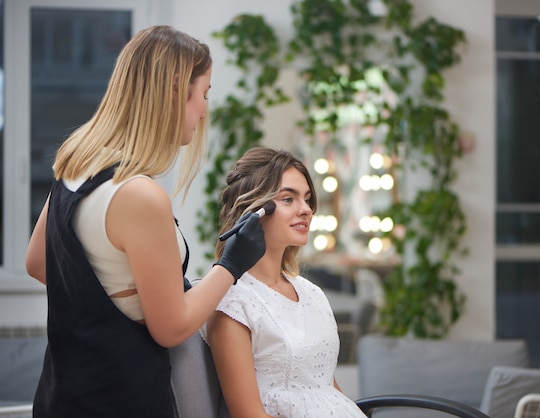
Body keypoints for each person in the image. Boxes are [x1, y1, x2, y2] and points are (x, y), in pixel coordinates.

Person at [24, 25, 265, 418]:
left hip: (61, 396)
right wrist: (232, 264)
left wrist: (123, 291)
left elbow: (38, 263)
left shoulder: (79, 162)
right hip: (120, 400)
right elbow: (170, 328)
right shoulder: (139, 195)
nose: (204, 110)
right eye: (203, 94)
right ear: (174, 90)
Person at [203, 147, 367, 418]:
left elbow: (326, 390)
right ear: (254, 212)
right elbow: (249, 415)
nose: (306, 210)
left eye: (307, 199)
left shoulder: (311, 293)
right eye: (288, 199)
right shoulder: (233, 303)